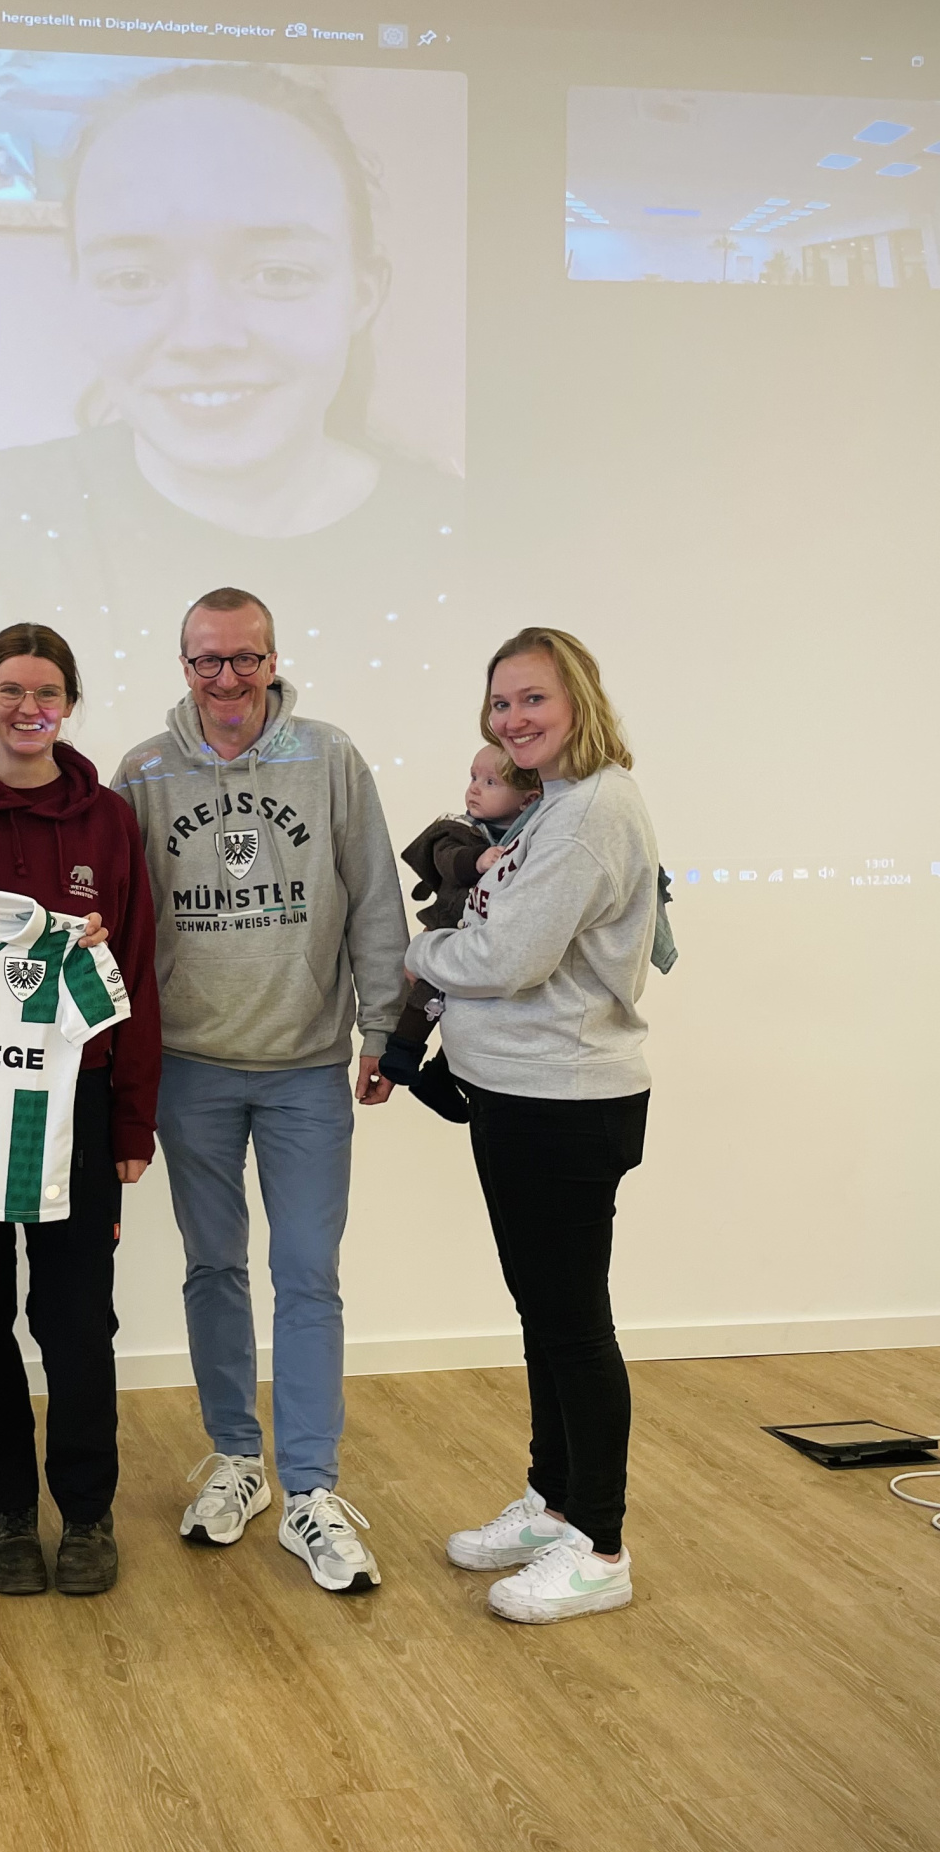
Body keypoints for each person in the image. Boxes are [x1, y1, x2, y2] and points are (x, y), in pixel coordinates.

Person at [0, 61, 463, 749]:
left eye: (277, 273)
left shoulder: (473, 544)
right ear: (79, 294)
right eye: (133, 277)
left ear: (363, 292)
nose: (204, 336)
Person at [112, 587, 407, 1594]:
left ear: (274, 662)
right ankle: (237, 1460)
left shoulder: (330, 758)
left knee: (309, 1272)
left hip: (305, 1069)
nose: (228, 678)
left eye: (247, 660)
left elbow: (375, 897)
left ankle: (313, 1489)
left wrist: (385, 1031)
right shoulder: (143, 772)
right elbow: (122, 925)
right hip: (191, 1067)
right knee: (214, 1269)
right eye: (208, 661)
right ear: (182, 666)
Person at [404, 628, 657, 1626]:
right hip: (516, 1094)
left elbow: (507, 955)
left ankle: (599, 1543)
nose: (513, 719)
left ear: (579, 698)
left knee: (572, 1324)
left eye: (533, 700)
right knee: (543, 1312)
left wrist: (423, 951)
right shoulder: (553, 804)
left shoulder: (594, 811)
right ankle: (556, 1503)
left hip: (568, 1101)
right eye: (501, 703)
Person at [0, 624, 160, 1597]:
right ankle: (10, 1512)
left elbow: (138, 973)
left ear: (69, 703)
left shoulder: (108, 819)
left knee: (75, 1322)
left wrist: (131, 1121)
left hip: (78, 1098)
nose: (29, 708)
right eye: (12, 690)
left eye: (49, 692)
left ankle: (89, 1512)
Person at [377, 744, 540, 1121]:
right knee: (427, 993)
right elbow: (446, 860)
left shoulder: (533, 835)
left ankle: (438, 1075)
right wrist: (477, 861)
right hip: (448, 928)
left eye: (490, 781)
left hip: (486, 943)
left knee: (478, 1007)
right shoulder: (460, 829)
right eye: (472, 777)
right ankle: (402, 1052)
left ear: (527, 800)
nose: (474, 789)